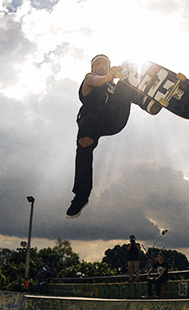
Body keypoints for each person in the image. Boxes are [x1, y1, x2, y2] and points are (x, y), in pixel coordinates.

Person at [66, 54, 143, 218]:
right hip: (91, 119)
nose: (100, 66)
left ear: (109, 66)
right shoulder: (90, 78)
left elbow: (125, 99)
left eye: (104, 64)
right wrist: (111, 75)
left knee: (123, 86)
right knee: (84, 145)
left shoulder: (113, 85)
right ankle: (81, 195)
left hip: (113, 120)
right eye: (97, 64)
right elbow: (95, 81)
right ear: (92, 68)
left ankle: (147, 100)